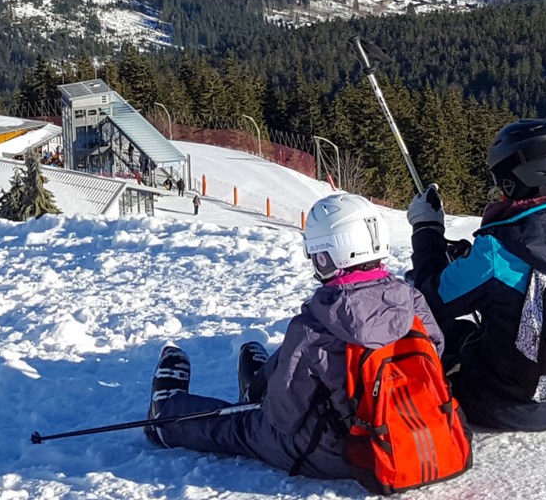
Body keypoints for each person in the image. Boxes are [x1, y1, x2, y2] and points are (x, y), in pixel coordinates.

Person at [143, 192, 448, 480]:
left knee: (245, 427)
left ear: (325, 256)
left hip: (340, 452)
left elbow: (282, 417)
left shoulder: (315, 325)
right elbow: (436, 351)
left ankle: (166, 417)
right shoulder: (412, 300)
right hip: (413, 434)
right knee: (300, 356)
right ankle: (259, 384)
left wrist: (269, 405)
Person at [408, 119, 546, 430]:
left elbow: (432, 300)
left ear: (516, 179)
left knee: (446, 335)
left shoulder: (499, 248)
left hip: (506, 405)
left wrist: (426, 229)